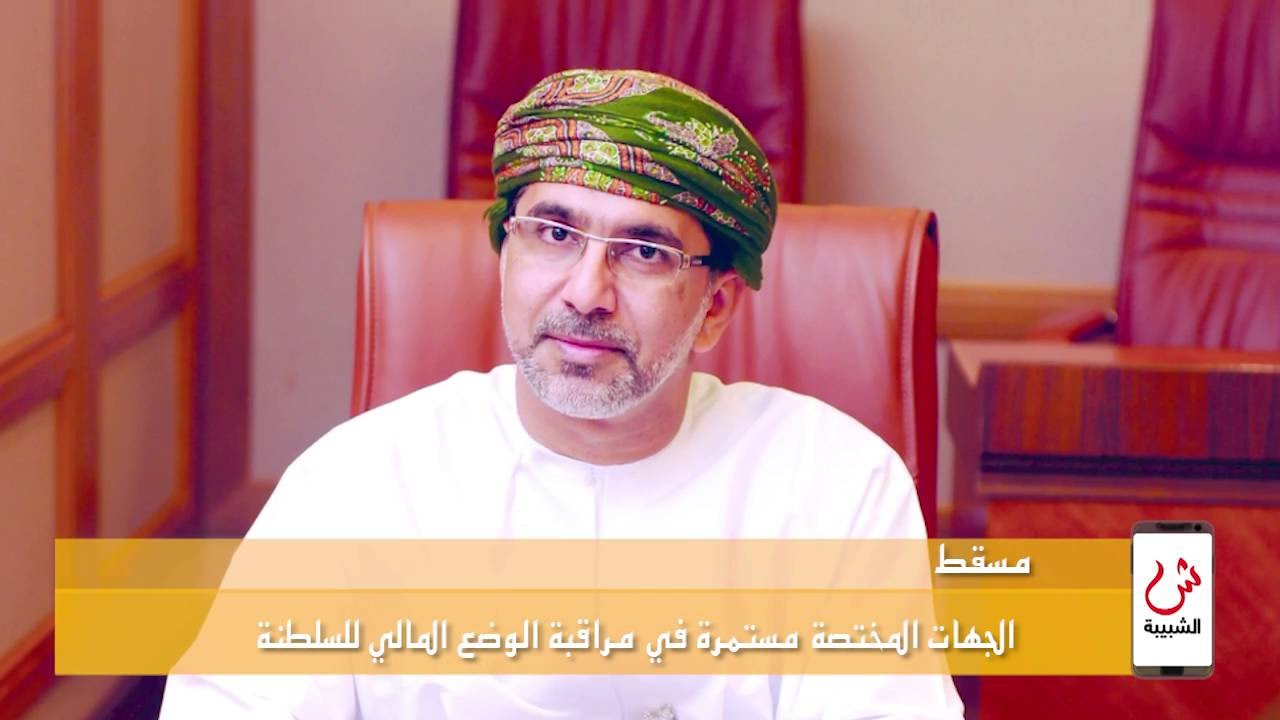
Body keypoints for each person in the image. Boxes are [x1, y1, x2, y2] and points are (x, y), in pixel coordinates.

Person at [160, 68, 963, 718]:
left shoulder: (835, 487)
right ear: (505, 256)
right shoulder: (360, 480)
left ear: (715, 307)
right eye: (554, 234)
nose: (586, 293)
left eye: (644, 252)